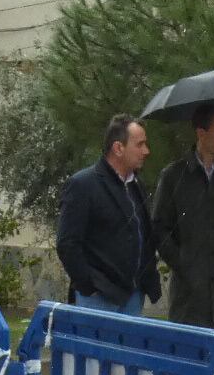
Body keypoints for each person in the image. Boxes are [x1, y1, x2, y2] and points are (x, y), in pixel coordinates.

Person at [151, 105, 214, 330]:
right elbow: (159, 228)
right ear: (201, 133)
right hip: (189, 297)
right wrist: (183, 263)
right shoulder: (173, 176)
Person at [54, 114, 158, 315]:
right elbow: (67, 243)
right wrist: (89, 287)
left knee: (128, 347)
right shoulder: (84, 184)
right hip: (98, 299)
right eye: (140, 144)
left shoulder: (136, 186)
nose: (146, 151)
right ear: (118, 148)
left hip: (133, 296)